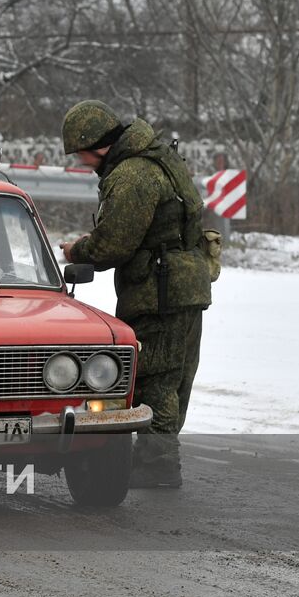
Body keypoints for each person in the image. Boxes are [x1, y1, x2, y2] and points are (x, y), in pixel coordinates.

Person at [59, 100, 212, 488]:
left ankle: (158, 466)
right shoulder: (157, 158)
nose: (81, 162)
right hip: (185, 283)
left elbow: (114, 244)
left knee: (156, 376)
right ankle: (159, 460)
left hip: (159, 290)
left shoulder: (133, 174)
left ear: (96, 144)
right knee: (175, 374)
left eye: (81, 154)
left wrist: (76, 251)